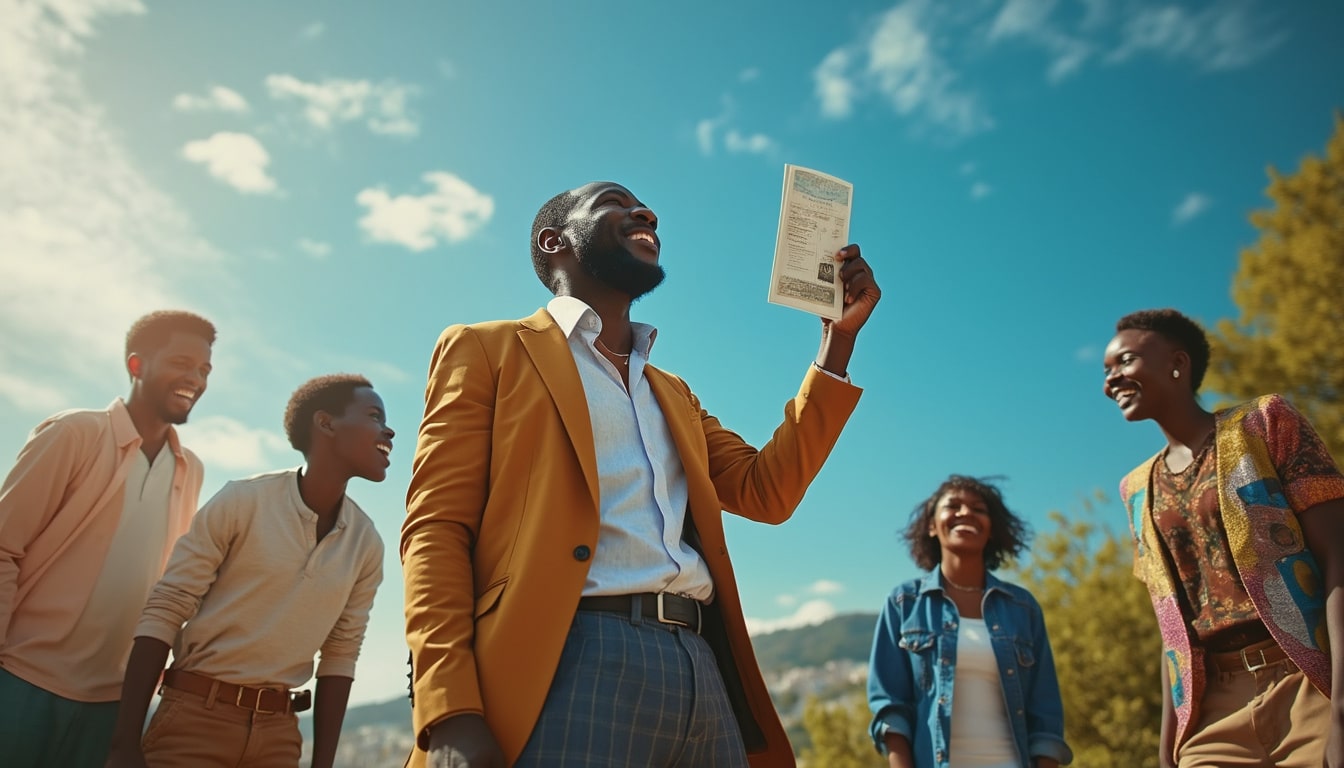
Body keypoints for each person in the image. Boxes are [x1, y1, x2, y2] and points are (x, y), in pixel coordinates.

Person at [402, 180, 881, 767]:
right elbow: (436, 530)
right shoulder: (486, 350)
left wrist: (837, 343)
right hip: (569, 659)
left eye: (644, 205)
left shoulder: (672, 393)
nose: (645, 211)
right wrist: (448, 709)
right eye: (613, 202)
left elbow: (767, 492)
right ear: (557, 242)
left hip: (702, 670)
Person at [104, 374, 391, 768]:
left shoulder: (367, 544)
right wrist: (123, 745)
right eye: (375, 415)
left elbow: (341, 654)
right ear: (325, 423)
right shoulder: (242, 501)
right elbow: (167, 608)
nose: (389, 430)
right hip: (193, 721)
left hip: (279, 736)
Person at [1102, 308, 1344, 768]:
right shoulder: (1135, 489)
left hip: (1307, 684)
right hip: (1212, 713)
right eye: (1107, 371)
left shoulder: (1264, 424)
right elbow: (1171, 621)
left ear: (1178, 363)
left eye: (1125, 362)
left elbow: (1339, 555)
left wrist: (1342, 705)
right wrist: (1167, 748)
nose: (1111, 380)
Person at [0, 310, 215, 767]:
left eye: (203, 370)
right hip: (21, 684)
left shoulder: (190, 469)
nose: (194, 379)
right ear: (137, 366)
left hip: (114, 705)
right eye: (181, 362)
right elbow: (2, 547)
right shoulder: (74, 433)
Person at [867, 475, 1072, 768]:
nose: (965, 513)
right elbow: (890, 708)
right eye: (953, 506)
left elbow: (1045, 712)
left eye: (978, 509)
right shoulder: (904, 603)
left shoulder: (1022, 608)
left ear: (991, 529)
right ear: (931, 525)